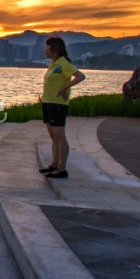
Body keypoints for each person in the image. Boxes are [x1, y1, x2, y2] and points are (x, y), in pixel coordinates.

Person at [39, 37, 86, 179]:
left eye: (47, 48)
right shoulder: (54, 64)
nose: (45, 51)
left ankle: (62, 168)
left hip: (58, 104)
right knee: (53, 137)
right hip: (47, 102)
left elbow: (80, 76)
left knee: (60, 137)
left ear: (54, 49)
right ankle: (54, 164)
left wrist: (65, 88)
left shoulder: (64, 64)